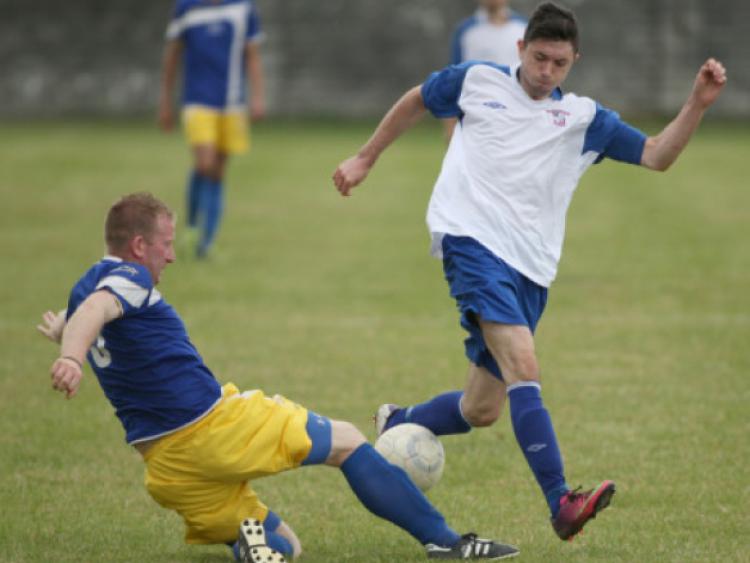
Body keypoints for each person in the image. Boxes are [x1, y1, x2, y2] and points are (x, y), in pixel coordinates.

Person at [333, 2, 726, 542]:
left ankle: (400, 422)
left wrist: (697, 104)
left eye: (559, 64)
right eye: (539, 58)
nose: (546, 72)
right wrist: (365, 157)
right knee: (524, 365)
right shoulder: (476, 81)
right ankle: (561, 502)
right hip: (470, 242)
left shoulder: (585, 119)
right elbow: (417, 100)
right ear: (520, 49)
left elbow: (657, 155)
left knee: (483, 408)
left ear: (574, 62)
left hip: (531, 269)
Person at [37, 192, 521, 561]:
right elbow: (101, 309)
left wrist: (65, 333)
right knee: (348, 441)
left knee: (284, 546)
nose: (171, 255)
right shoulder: (128, 279)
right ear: (139, 245)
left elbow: (88, 314)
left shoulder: (87, 284)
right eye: (165, 244)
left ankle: (248, 544)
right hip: (211, 429)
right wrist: (72, 358)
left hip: (170, 470)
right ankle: (446, 543)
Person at [157, 0, 266, 259]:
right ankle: (193, 227)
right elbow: (172, 56)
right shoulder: (187, 8)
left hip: (231, 103)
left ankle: (207, 242)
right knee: (205, 164)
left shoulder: (243, 8)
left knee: (217, 171)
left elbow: (251, 55)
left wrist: (258, 97)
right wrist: (165, 101)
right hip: (197, 101)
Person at [445, 0, 527, 139]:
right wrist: (450, 125)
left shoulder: (524, 27)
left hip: (519, 116)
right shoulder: (465, 31)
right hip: (477, 119)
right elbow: (453, 80)